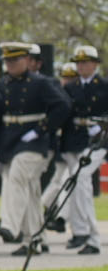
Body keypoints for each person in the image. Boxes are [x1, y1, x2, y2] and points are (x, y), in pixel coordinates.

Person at [0, 41, 70, 255]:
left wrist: (42, 128)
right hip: (11, 140)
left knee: (17, 177)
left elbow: (62, 105)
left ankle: (9, 225)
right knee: (30, 191)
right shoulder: (3, 85)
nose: (10, 64)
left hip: (34, 141)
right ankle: (34, 240)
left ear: (27, 60)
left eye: (15, 60)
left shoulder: (42, 83)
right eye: (7, 60)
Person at [54, 47, 102, 254]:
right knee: (75, 184)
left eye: (86, 62)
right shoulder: (70, 88)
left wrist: (102, 125)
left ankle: (91, 235)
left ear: (95, 64)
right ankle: (80, 232)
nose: (81, 66)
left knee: (81, 179)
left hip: (98, 141)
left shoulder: (105, 86)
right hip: (74, 140)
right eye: (79, 63)